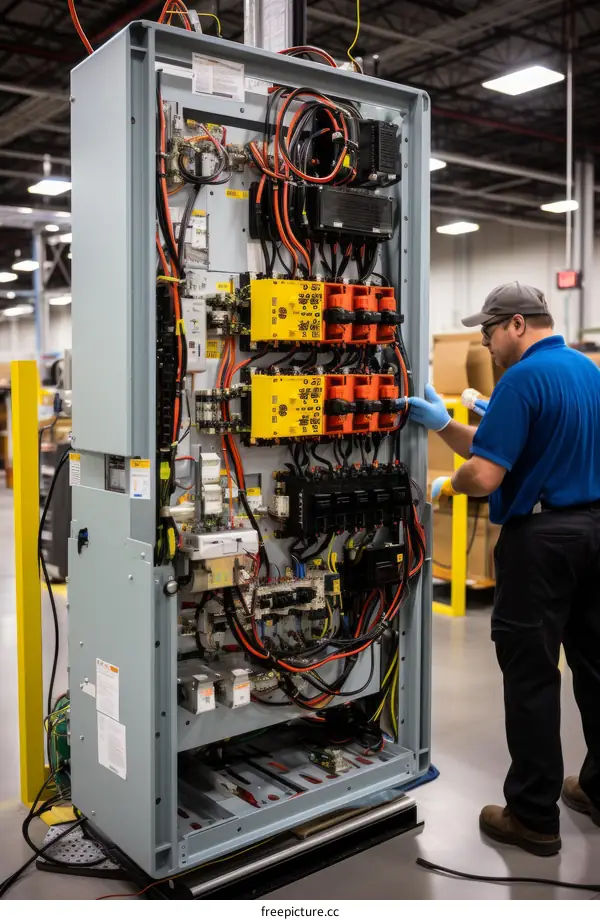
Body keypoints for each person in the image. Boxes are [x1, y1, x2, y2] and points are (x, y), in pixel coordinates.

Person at [408, 281, 600, 857]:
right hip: (595, 531)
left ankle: (533, 815)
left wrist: (446, 485)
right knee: (595, 668)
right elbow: (506, 447)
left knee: (532, 677)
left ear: (516, 324)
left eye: (489, 332)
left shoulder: (521, 379)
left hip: (540, 544)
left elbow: (486, 475)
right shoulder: (588, 372)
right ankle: (598, 789)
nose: (487, 344)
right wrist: (444, 425)